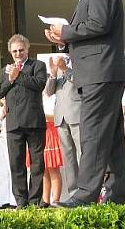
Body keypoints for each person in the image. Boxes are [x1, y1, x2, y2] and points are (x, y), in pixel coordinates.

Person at [45, 0, 125, 207]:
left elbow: (99, 24)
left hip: (101, 73)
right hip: (99, 73)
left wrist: (67, 31)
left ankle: (85, 194)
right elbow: (90, 31)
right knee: (111, 137)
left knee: (92, 133)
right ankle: (116, 196)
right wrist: (62, 39)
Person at [0, 34, 47, 208]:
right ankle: (21, 202)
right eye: (15, 51)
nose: (18, 53)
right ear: (10, 52)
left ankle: (34, 201)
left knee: (37, 163)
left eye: (21, 50)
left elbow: (39, 84)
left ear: (27, 49)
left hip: (34, 122)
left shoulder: (37, 65)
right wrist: (10, 78)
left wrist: (18, 75)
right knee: (16, 164)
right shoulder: (5, 71)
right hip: (13, 124)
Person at [44, 54, 81, 199]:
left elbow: (81, 84)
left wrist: (65, 69)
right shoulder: (56, 68)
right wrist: (53, 75)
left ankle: (88, 193)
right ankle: (74, 194)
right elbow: (48, 91)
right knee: (68, 158)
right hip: (60, 118)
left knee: (83, 154)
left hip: (77, 114)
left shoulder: (79, 62)